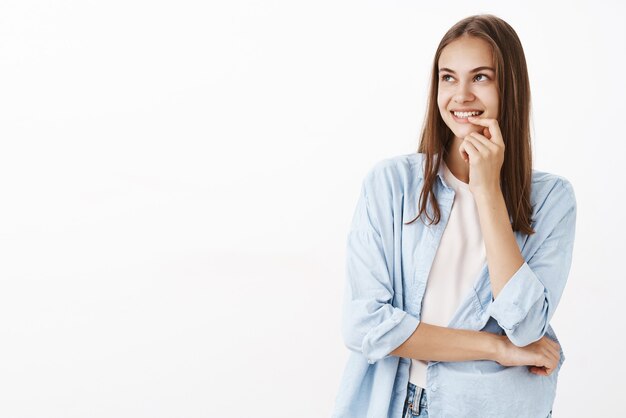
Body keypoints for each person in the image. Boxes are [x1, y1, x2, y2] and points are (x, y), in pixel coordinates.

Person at [331, 14, 576, 418]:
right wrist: (496, 348)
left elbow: (527, 325)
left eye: (480, 77)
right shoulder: (391, 184)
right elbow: (363, 324)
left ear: (509, 87)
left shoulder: (552, 198)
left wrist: (487, 191)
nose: (460, 95)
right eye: (448, 78)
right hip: (393, 402)